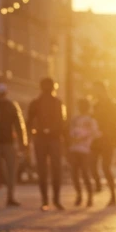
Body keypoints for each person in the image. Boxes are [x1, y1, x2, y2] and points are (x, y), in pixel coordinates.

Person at [26, 77, 67, 211]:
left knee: (49, 170)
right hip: (45, 138)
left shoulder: (55, 103)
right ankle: (50, 200)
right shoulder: (39, 103)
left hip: (50, 139)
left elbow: (62, 123)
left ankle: (51, 200)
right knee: (49, 170)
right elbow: (30, 121)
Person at [92, 81, 116, 206]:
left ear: (103, 90)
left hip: (108, 140)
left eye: (97, 90)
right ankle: (98, 185)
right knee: (91, 165)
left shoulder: (113, 105)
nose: (96, 93)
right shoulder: (96, 105)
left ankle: (113, 195)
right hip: (96, 139)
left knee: (106, 167)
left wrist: (115, 138)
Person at [67, 98, 101, 206]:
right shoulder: (75, 119)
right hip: (74, 149)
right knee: (74, 174)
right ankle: (79, 195)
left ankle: (89, 196)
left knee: (85, 174)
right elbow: (70, 132)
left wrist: (84, 138)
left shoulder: (91, 120)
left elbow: (95, 133)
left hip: (86, 149)